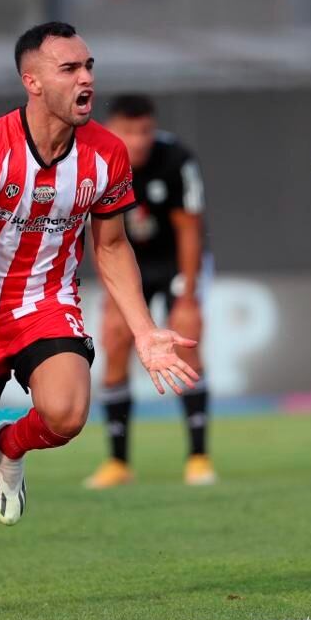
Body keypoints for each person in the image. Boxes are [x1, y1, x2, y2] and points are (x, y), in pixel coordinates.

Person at [0, 21, 198, 617]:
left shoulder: (107, 152)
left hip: (44, 299)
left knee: (68, 414)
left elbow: (111, 247)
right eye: (69, 69)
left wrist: (146, 332)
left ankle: (14, 444)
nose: (86, 79)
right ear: (33, 82)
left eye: (89, 66)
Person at [84, 94, 214, 489]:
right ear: (111, 130)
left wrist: (187, 296)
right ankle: (118, 462)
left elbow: (189, 230)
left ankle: (198, 457)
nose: (138, 141)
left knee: (186, 338)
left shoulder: (176, 159)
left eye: (144, 131)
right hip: (129, 265)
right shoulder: (96, 161)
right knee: (114, 339)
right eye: (128, 132)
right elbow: (97, 236)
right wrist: (114, 295)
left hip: (176, 262)